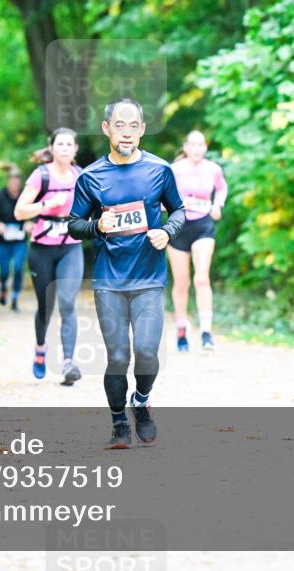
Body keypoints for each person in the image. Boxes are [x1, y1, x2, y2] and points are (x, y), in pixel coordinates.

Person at [68, 99, 185, 449]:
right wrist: (97, 226)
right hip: (110, 280)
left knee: (147, 352)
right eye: (120, 125)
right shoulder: (90, 177)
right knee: (118, 357)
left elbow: (179, 210)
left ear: (143, 130)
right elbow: (73, 224)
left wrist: (167, 231)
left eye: (134, 126)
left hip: (149, 277)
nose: (127, 133)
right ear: (107, 128)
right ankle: (119, 423)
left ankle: (141, 401)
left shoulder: (160, 170)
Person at [14, 128, 84, 385]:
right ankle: (41, 348)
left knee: (67, 302)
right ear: (52, 148)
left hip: (71, 247)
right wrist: (46, 205)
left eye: (69, 144)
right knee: (46, 306)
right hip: (42, 249)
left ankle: (68, 362)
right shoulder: (41, 175)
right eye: (60, 144)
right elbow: (19, 212)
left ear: (75, 149)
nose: (64, 148)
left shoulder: (81, 176)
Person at [169, 130, 228, 351]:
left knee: (202, 279)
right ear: (185, 147)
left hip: (203, 226)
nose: (197, 149)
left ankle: (206, 332)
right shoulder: (174, 169)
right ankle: (181, 329)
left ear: (205, 147)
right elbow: (161, 197)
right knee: (182, 282)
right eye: (192, 145)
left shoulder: (213, 169)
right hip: (178, 227)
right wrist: (177, 204)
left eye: (201, 144)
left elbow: (222, 188)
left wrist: (217, 205)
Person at [0, 168, 30, 312]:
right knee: (4, 270)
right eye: (12, 180)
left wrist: (30, 222)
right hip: (2, 241)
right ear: (7, 181)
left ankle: (14, 298)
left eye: (17, 180)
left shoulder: (26, 196)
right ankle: (3, 287)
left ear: (20, 182)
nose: (14, 183)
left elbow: (34, 212)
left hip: (20, 240)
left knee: (18, 268)